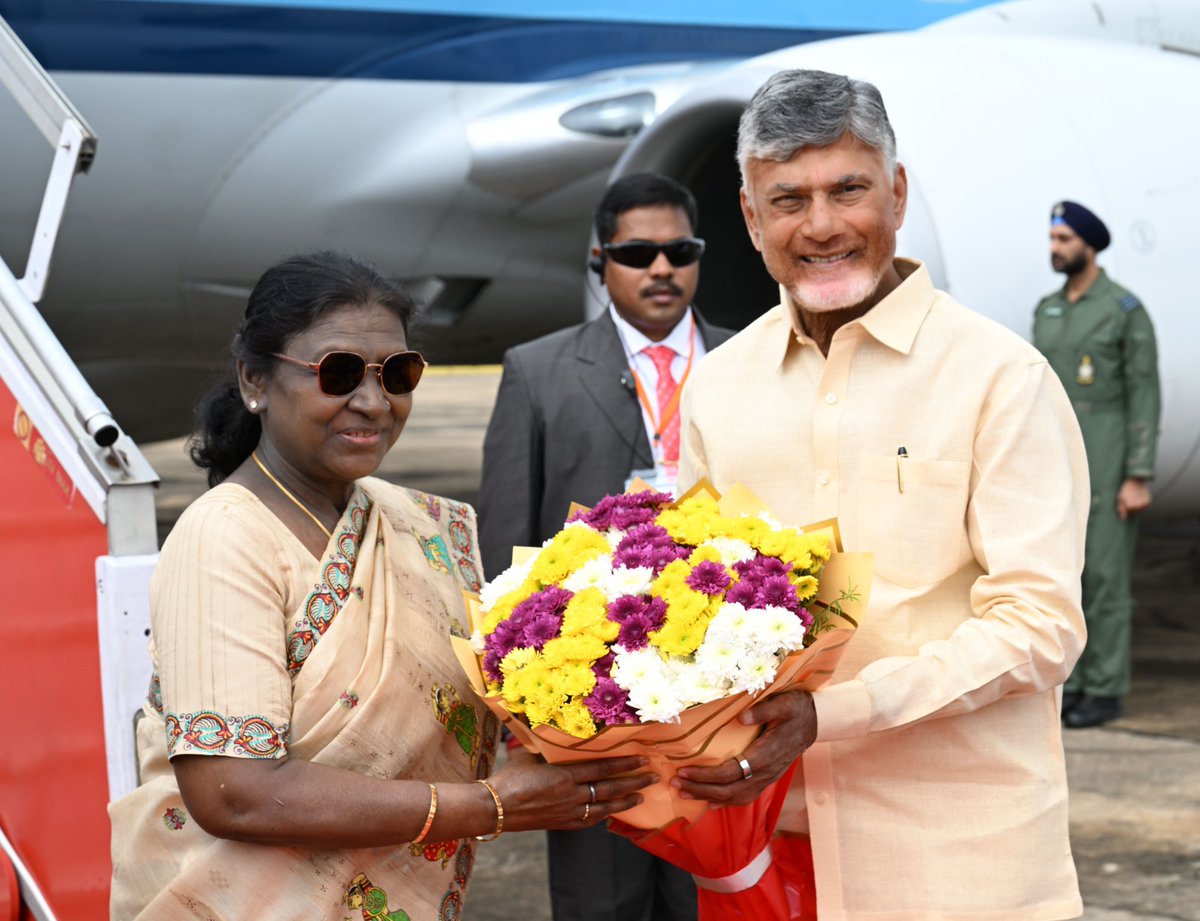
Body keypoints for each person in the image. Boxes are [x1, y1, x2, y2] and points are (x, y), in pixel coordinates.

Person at [108, 251, 655, 920]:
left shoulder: (416, 524)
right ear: (255, 379)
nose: (372, 401)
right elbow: (234, 790)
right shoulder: (224, 535)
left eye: (397, 373)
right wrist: (489, 806)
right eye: (337, 373)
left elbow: (487, 702)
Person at [673, 70, 1090, 920]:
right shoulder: (718, 387)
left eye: (848, 189)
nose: (821, 226)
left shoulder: (1000, 377)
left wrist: (837, 712)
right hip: (766, 853)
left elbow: (1040, 627)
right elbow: (693, 599)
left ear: (897, 193)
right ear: (751, 220)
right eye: (787, 199)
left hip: (959, 862)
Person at [479, 173, 733, 921]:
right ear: (600, 260)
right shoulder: (538, 370)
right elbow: (505, 538)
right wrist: (515, 706)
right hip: (588, 703)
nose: (661, 268)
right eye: (637, 252)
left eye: (679, 250)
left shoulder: (750, 362)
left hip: (720, 695)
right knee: (602, 898)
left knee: (713, 896)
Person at [1034, 200, 1161, 729]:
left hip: (1107, 455)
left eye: (1064, 240)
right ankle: (1076, 682)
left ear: (1089, 245)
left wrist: (1138, 473)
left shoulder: (1124, 310)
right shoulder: (1049, 308)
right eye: (1053, 239)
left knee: (1107, 578)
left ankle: (1105, 687)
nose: (1054, 249)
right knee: (1064, 576)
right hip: (1057, 456)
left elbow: (1144, 392)